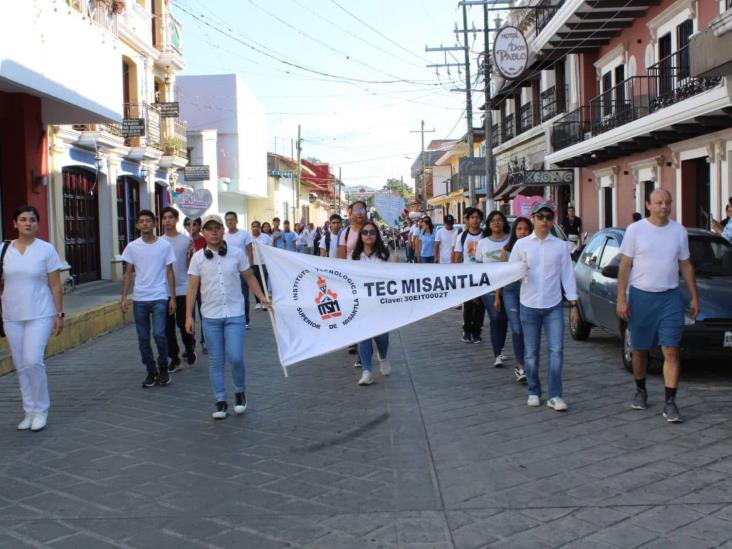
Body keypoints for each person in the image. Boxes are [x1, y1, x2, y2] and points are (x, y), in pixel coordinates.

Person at [616, 189, 699, 423]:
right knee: (640, 350)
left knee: (671, 350)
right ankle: (641, 389)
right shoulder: (635, 230)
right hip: (642, 297)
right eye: (659, 202)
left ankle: (670, 402)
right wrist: (622, 298)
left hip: (670, 297)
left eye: (668, 202)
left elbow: (685, 265)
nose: (664, 206)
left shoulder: (678, 231)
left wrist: (694, 296)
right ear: (648, 205)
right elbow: (624, 266)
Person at [185, 214, 270, 420]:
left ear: (223, 230)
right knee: (216, 360)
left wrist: (262, 297)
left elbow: (249, 276)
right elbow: (193, 286)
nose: (214, 232)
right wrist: (188, 315)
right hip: (211, 316)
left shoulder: (237, 253)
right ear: (203, 233)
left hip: (235, 313)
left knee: (236, 357)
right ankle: (221, 400)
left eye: (217, 228)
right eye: (209, 229)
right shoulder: (197, 258)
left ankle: (239, 391)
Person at [510, 202, 578, 412]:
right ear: (533, 218)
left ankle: (555, 395)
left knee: (556, 350)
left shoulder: (559, 246)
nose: (545, 221)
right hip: (528, 304)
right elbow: (510, 272)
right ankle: (533, 391)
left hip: (553, 305)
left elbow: (567, 275)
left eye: (549, 217)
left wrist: (574, 303)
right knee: (531, 352)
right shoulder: (521, 245)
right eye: (541, 217)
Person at [2, 206, 63, 432]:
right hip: (11, 315)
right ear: (14, 223)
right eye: (23, 219)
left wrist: (59, 314)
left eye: (32, 220)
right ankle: (29, 410)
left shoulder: (46, 249)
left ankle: (41, 409)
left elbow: (55, 284)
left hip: (40, 312)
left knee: (32, 360)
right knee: (20, 364)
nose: (28, 223)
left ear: (37, 224)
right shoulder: (3, 250)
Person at [120, 210, 177, 388]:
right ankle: (151, 371)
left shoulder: (164, 246)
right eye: (141, 221)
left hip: (160, 295)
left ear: (154, 224)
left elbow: (169, 271)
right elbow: (128, 273)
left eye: (148, 221)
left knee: (159, 334)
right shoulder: (132, 247)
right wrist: (124, 297)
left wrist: (173, 298)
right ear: (137, 225)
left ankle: (163, 368)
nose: (145, 224)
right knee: (143, 337)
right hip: (140, 298)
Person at [352, 221, 392, 386]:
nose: (369, 235)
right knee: (364, 337)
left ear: (377, 235)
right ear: (361, 236)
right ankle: (367, 371)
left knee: (382, 338)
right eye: (365, 232)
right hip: (362, 304)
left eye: (372, 232)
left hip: (381, 303)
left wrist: (395, 265)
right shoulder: (355, 257)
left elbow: (392, 279)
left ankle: (382, 357)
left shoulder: (385, 255)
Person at [495, 217, 532, 383]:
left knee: (526, 328)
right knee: (517, 328)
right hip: (510, 292)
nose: (523, 232)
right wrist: (498, 297)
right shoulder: (506, 250)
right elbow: (501, 276)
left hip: (529, 291)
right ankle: (520, 366)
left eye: (526, 229)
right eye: (519, 229)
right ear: (514, 231)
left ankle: (527, 360)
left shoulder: (535, 249)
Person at [161, 206, 196, 373]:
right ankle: (174, 358)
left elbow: (191, 266)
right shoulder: (159, 241)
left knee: (183, 324)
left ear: (176, 220)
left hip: (183, 288)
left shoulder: (186, 240)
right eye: (164, 217)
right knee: (167, 328)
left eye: (170, 217)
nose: (167, 220)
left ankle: (189, 347)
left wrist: (191, 252)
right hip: (165, 290)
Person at [476, 211, 510, 367]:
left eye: (499, 220)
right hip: (488, 287)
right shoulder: (482, 243)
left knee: (504, 319)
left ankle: (500, 348)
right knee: (496, 318)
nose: (496, 223)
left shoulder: (511, 241)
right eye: (493, 221)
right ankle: (497, 354)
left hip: (509, 286)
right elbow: (477, 267)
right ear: (488, 224)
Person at [454, 208, 485, 343]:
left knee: (480, 307)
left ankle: (477, 332)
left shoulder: (485, 235)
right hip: (467, 276)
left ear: (481, 219)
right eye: (472, 217)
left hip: (483, 276)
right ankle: (467, 331)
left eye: (477, 217)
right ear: (468, 219)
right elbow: (457, 256)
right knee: (468, 306)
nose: (475, 220)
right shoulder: (462, 237)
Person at [223, 212, 254, 329]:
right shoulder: (224, 236)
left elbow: (250, 252)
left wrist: (250, 267)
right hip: (228, 272)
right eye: (227, 220)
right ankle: (232, 318)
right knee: (230, 295)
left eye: (231, 220)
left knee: (244, 296)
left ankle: (246, 320)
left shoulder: (244, 234)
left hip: (242, 271)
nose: (229, 222)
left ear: (236, 221)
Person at [250, 220, 271, 309]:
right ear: (251, 228)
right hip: (253, 263)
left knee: (264, 282)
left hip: (263, 263)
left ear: (260, 228)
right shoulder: (248, 237)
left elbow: (270, 249)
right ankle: (258, 301)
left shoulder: (266, 237)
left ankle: (265, 301)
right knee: (256, 282)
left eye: (257, 226)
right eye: (253, 226)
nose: (255, 228)